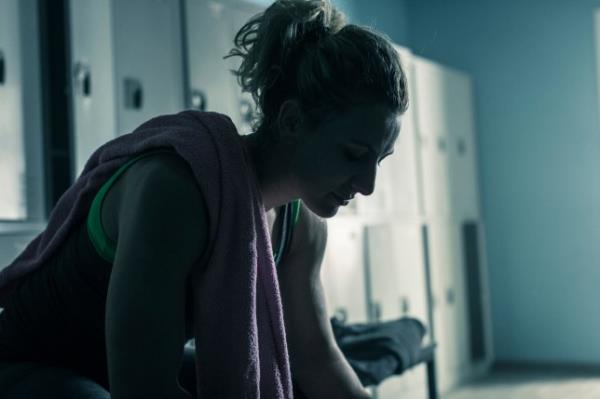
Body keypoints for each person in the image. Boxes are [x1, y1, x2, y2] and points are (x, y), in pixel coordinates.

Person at [0, 0, 408, 397]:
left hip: (115, 367)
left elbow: (316, 359)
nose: (368, 184)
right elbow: (142, 390)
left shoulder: (301, 224)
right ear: (292, 121)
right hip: (34, 365)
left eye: (380, 159)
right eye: (354, 155)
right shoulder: (175, 190)